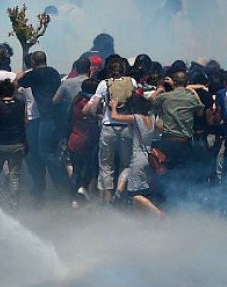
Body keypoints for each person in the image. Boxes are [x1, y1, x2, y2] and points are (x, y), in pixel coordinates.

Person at [83, 57, 137, 203]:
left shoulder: (104, 84)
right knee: (126, 164)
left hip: (108, 127)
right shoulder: (131, 82)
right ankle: (119, 192)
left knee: (106, 165)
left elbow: (93, 105)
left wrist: (95, 114)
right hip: (126, 127)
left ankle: (106, 200)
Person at [149, 70, 206, 202]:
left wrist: (160, 89)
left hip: (167, 141)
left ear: (173, 82)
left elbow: (150, 100)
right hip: (184, 142)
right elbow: (200, 111)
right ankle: (181, 202)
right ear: (186, 83)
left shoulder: (166, 97)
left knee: (165, 173)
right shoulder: (191, 98)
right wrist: (193, 91)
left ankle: (164, 201)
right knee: (183, 173)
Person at [18, 51, 64, 201]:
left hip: (45, 119)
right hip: (55, 117)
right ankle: (56, 187)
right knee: (47, 153)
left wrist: (19, 76)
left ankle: (62, 188)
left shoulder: (34, 75)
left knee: (44, 154)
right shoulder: (54, 72)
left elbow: (18, 84)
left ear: (33, 63)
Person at [110, 95, 165, 217]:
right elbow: (161, 130)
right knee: (141, 191)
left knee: (134, 193)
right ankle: (140, 221)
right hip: (149, 157)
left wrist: (113, 106)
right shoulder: (151, 118)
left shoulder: (136, 118)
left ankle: (158, 213)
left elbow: (115, 117)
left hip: (138, 158)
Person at [0, 78, 27, 207]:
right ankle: (14, 203)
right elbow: (25, 121)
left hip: (1, 144)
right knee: (14, 175)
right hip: (18, 144)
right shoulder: (20, 104)